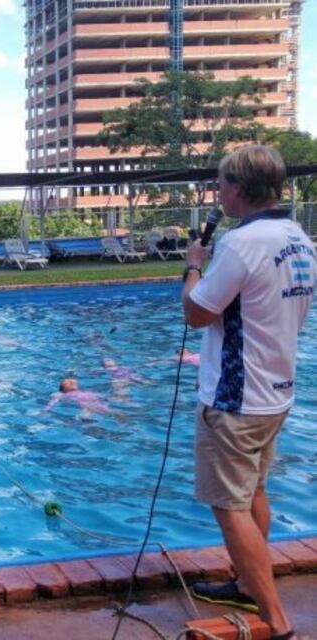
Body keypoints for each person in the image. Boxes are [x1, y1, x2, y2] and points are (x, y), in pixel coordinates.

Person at [181, 145, 315, 639]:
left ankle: (276, 619)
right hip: (276, 393)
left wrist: (194, 265)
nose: (218, 192)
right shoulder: (298, 238)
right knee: (254, 490)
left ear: (238, 188)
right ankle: (245, 582)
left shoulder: (241, 244)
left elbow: (197, 313)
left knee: (229, 503)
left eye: (221, 184)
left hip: (236, 400)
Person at [44, 378, 112, 416]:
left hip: (95, 400)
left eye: (73, 382)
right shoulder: (60, 394)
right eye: (68, 382)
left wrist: (107, 396)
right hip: (85, 403)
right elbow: (52, 402)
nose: (72, 382)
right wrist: (46, 410)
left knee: (110, 411)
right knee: (88, 413)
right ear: (63, 388)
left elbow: (99, 395)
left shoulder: (82, 391)